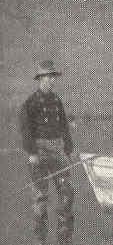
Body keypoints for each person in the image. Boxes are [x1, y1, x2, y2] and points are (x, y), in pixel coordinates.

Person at [19, 60, 76, 234]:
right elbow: (25, 129)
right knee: (40, 195)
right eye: (49, 77)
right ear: (41, 79)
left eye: (53, 77)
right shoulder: (30, 103)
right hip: (39, 151)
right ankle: (40, 236)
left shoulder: (57, 100)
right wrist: (32, 153)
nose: (52, 80)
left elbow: (64, 125)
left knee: (66, 190)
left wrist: (68, 148)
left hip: (58, 150)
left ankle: (65, 231)